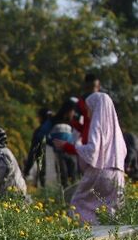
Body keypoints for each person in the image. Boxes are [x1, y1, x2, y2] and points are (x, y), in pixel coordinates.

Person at [53, 92, 126, 224]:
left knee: (78, 204)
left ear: (95, 107)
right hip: (118, 175)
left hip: (100, 172)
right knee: (111, 213)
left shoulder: (97, 124)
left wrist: (71, 147)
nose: (87, 113)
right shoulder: (115, 130)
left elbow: (93, 150)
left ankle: (86, 239)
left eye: (88, 109)